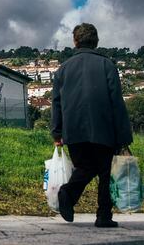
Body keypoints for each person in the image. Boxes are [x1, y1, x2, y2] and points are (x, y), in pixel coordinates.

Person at [51, 23, 133, 228]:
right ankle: (103, 216)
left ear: (75, 41)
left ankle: (68, 193)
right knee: (105, 172)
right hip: (103, 129)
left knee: (85, 167)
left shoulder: (63, 70)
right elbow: (116, 102)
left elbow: (56, 103)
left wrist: (57, 132)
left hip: (73, 130)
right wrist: (123, 136)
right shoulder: (107, 65)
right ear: (96, 42)